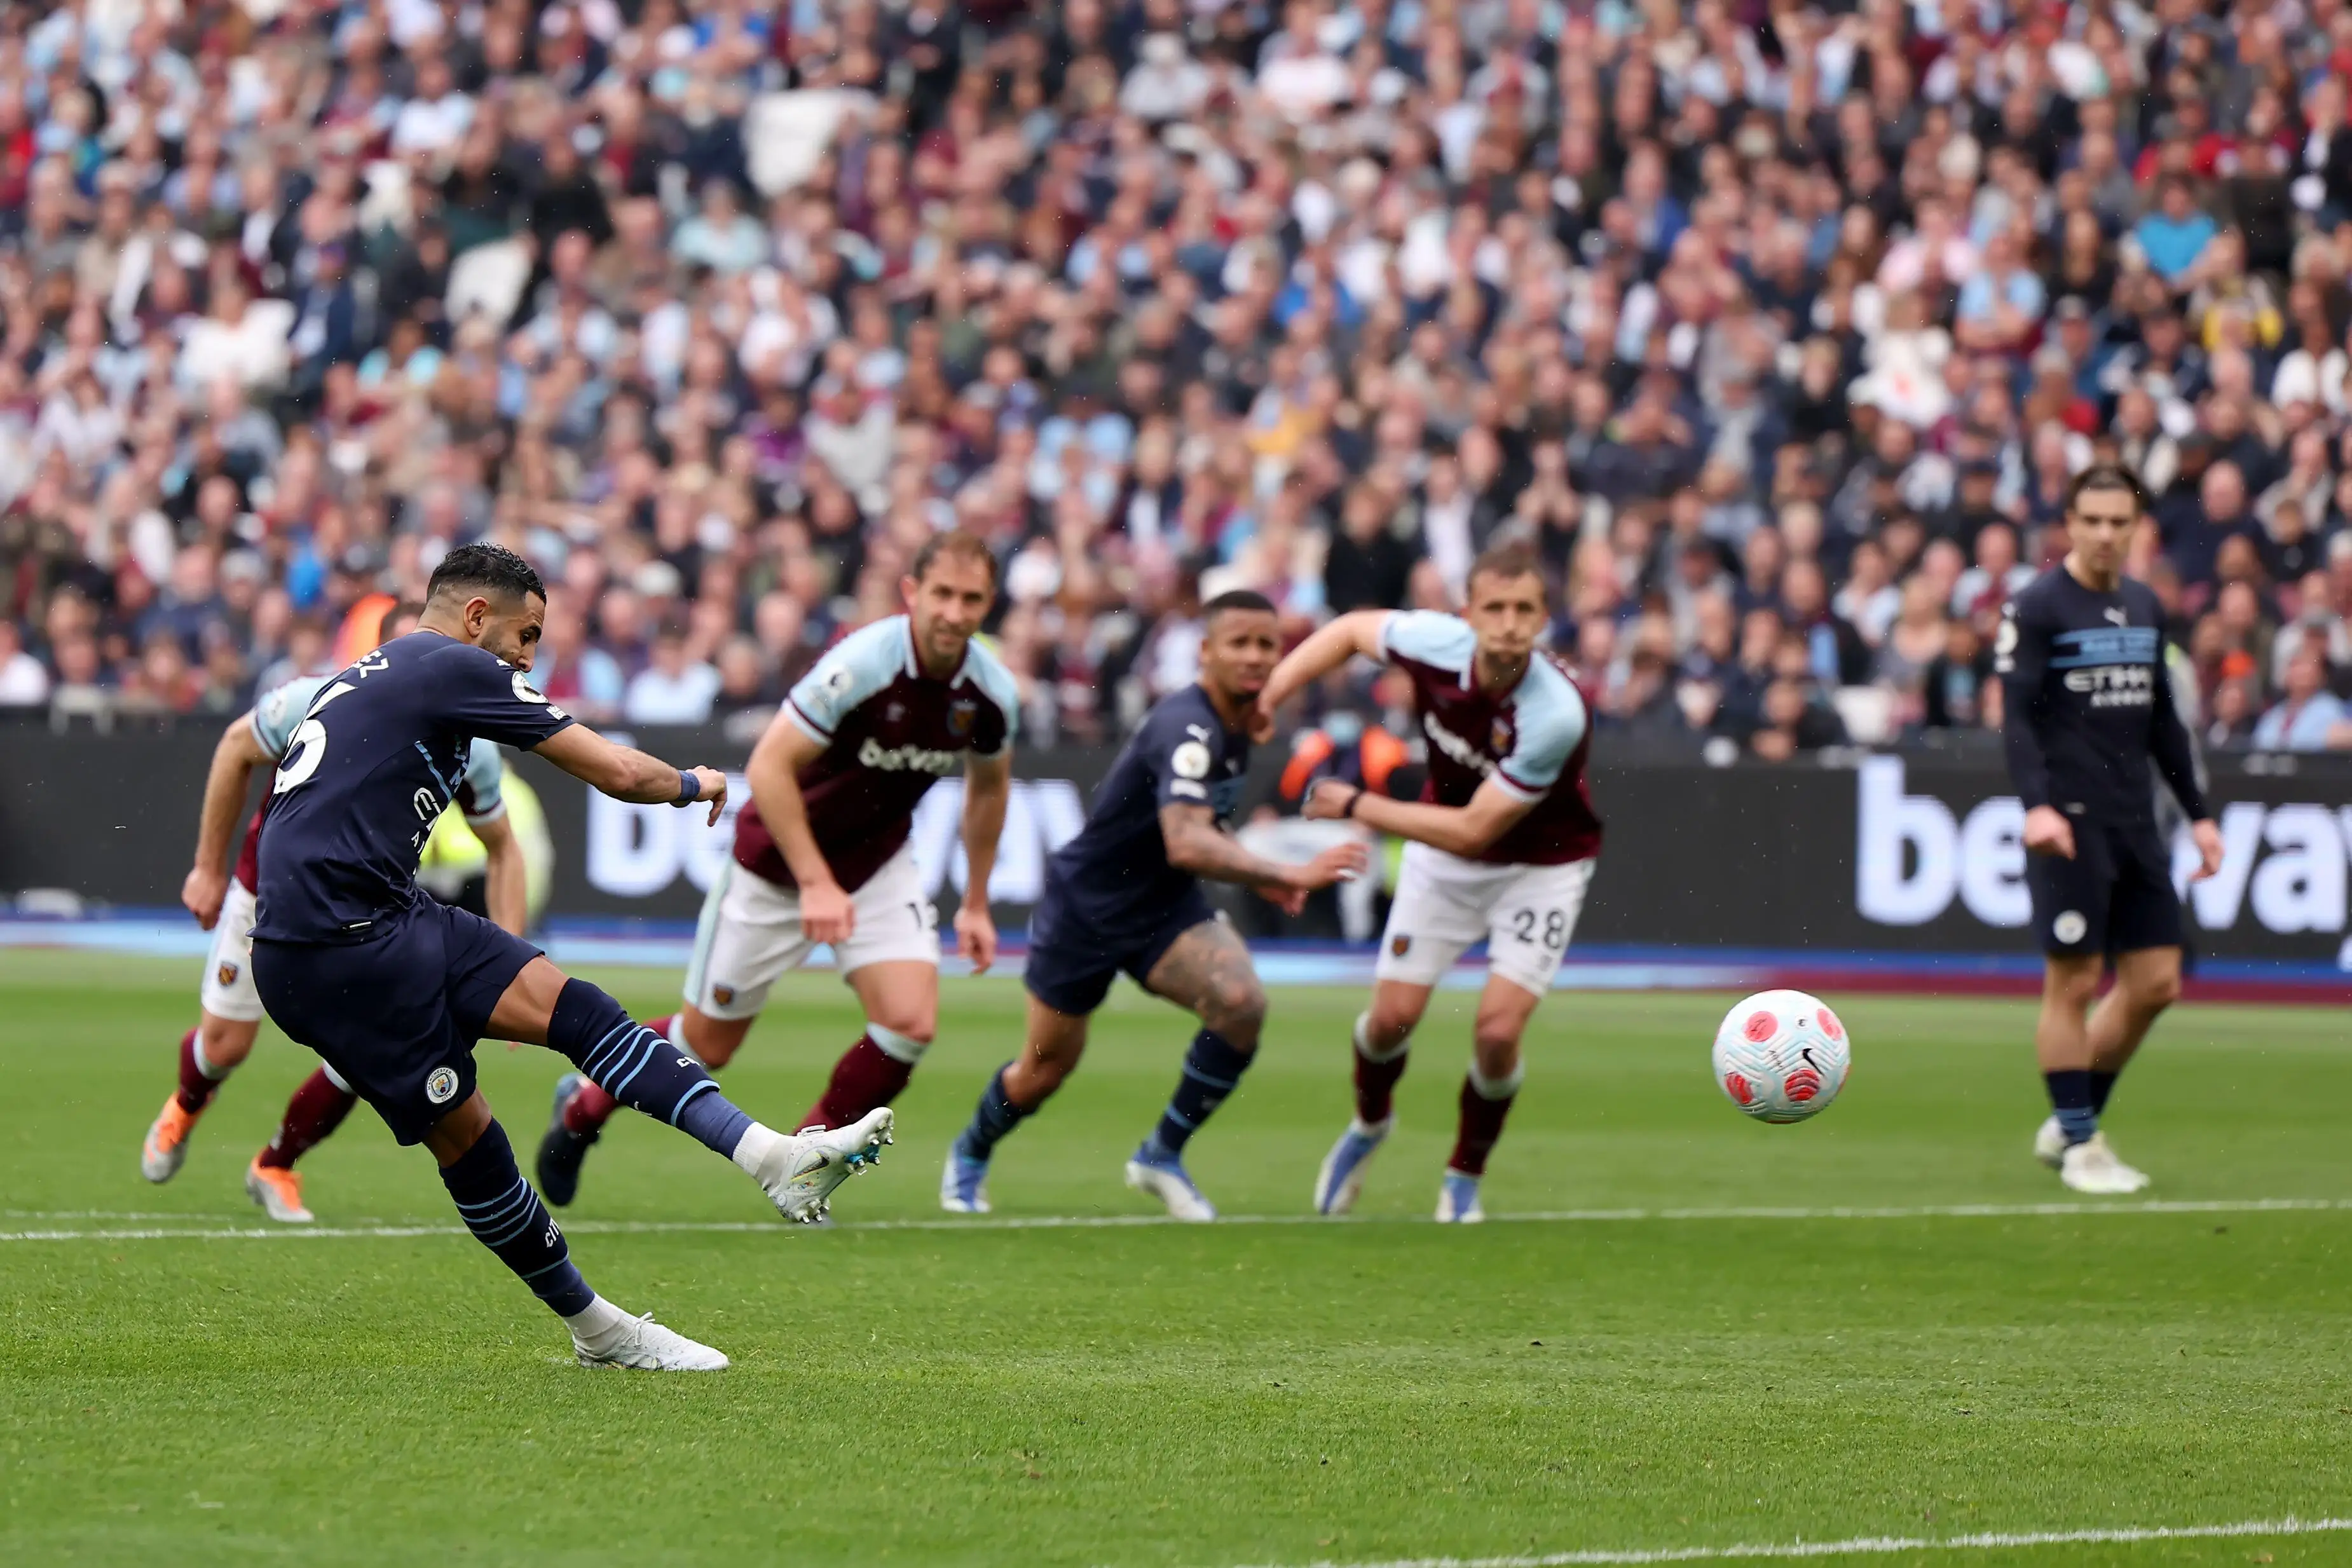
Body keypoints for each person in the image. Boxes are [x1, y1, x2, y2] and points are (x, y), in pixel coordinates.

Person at [247, 543, 891, 1371]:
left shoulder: (375, 671)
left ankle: (769, 1160)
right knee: (480, 1130)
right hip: (346, 937)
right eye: (526, 634)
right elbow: (617, 770)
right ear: (477, 615)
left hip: (343, 929)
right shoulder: (450, 663)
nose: (526, 657)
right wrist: (698, 782)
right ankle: (608, 1323)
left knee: (526, 1067)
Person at [535, 531, 1016, 1210]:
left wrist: (974, 901)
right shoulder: (863, 665)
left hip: (877, 866)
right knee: (708, 1043)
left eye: (971, 598)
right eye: (941, 593)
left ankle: (805, 1159)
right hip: (774, 866)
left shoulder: (990, 692)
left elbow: (989, 790)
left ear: (988, 603)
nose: (954, 612)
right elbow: (768, 766)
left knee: (908, 1023)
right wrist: (815, 880)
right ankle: (582, 1108)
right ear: (913, 593)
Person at [941, 590, 1365, 1220]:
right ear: (1205, 652)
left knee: (1242, 1003)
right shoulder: (1186, 725)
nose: (1254, 657)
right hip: (1087, 907)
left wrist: (1260, 880)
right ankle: (970, 1153)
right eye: (1239, 643)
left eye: (1265, 645)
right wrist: (1283, 869)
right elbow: (1185, 838)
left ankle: (1161, 1154)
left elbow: (1201, 826)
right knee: (1044, 1069)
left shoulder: (1243, 716)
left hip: (1162, 905)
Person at [142, 604, 530, 1225]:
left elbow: (505, 848)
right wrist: (208, 868)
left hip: (372, 915)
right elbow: (235, 748)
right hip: (269, 893)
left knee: (365, 1055)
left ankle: (277, 1162)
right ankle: (187, 1103)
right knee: (224, 1045)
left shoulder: (470, 746)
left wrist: (508, 964)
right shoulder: (317, 697)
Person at [1255, 541, 1602, 1224]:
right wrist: (1270, 695)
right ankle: (1368, 1124)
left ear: (1543, 618)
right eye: (1494, 607)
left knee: (1497, 1033)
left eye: (1523, 609)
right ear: (1466, 613)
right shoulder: (1434, 643)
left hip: (1541, 866)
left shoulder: (1555, 711)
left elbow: (1476, 829)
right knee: (1389, 1023)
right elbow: (1351, 630)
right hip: (1444, 860)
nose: (1507, 622)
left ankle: (1463, 1175)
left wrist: (1354, 805)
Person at [1994, 465, 2225, 1196]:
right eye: (2090, 520)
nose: (2103, 534)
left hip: (2135, 821)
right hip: (2069, 823)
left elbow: (2164, 723)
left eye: (2117, 522)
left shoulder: (2144, 605)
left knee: (2156, 982)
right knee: (2072, 982)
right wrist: (2035, 805)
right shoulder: (2036, 607)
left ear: (2136, 527)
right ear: (2068, 521)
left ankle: (2069, 1119)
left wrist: (2200, 815)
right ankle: (2083, 1144)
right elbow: (2017, 719)